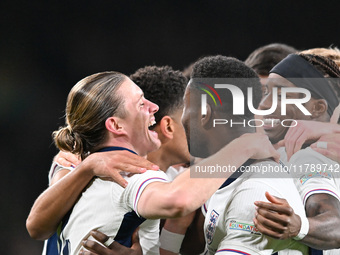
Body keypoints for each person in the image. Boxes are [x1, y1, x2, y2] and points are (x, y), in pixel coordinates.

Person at [27, 70, 278, 255]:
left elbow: (37, 227)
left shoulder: (75, 163)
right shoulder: (131, 174)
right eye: (141, 103)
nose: (153, 107)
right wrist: (244, 145)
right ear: (115, 124)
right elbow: (178, 200)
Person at [181, 55, 308, 254]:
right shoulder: (228, 173)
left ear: (205, 114)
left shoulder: (257, 194)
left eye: (185, 107)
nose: (182, 118)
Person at [253, 48, 340, 254]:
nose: (263, 105)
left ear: (317, 108)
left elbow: (335, 225)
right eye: (266, 93)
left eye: (281, 95)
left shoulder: (310, 155)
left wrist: (299, 226)